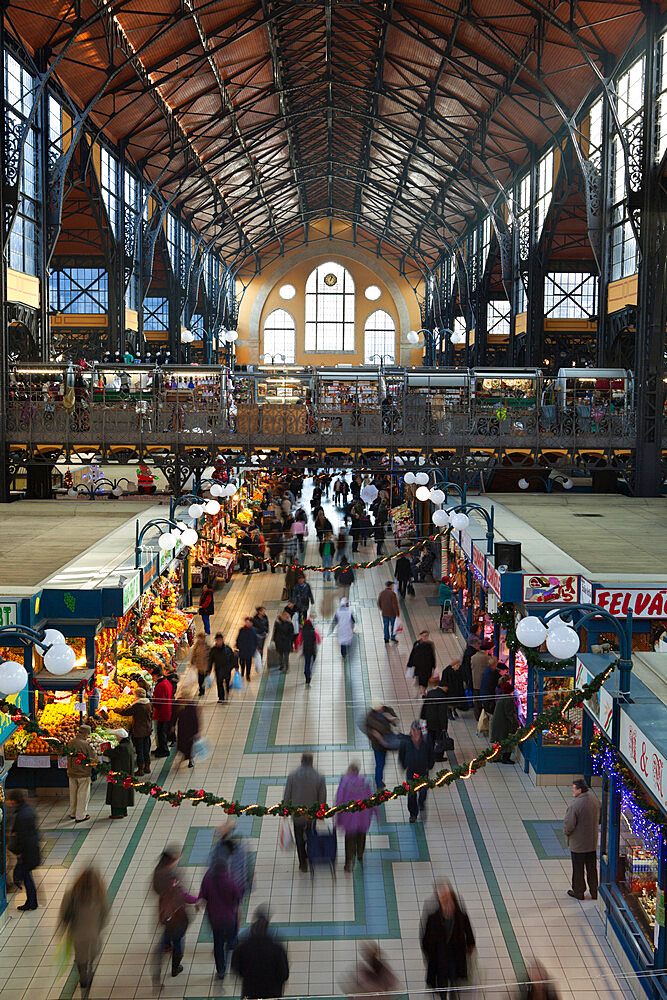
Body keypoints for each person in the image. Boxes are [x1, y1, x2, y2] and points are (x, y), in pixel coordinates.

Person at [58, 866, 109, 995]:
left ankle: (83, 977)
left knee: (80, 957)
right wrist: (99, 927)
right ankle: (89, 968)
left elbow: (64, 914)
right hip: (93, 934)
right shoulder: (99, 896)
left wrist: (63, 930)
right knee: (93, 952)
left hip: (77, 933)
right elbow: (105, 915)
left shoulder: (71, 894)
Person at [421, 879, 476, 997]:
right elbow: (425, 938)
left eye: (448, 897)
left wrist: (470, 944)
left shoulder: (459, 915)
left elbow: (468, 929)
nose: (447, 902)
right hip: (439, 958)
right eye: (443, 898)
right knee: (441, 983)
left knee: (454, 981)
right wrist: (428, 953)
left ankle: (453, 994)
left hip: (455, 957)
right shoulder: (433, 917)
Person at [152, 848, 198, 983]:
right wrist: (196, 900)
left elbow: (156, 889)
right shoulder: (172, 877)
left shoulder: (157, 871)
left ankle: (165, 947)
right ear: (170, 861)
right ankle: (175, 967)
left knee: (166, 932)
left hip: (164, 912)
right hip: (177, 915)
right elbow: (182, 894)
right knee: (178, 940)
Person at [198, 854, 244, 980]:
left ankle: (221, 971)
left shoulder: (207, 879)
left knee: (218, 944)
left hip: (214, 919)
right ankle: (232, 949)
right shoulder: (230, 881)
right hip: (229, 918)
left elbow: (203, 895)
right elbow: (238, 898)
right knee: (231, 941)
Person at [231, 907, 289, 999]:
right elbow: (284, 974)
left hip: (250, 991)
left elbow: (236, 968)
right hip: (272, 992)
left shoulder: (243, 947)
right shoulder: (277, 948)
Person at [283, 752, 326, 872]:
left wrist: (285, 810)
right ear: (312, 762)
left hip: (297, 814)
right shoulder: (319, 777)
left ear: (301, 761)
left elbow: (287, 795)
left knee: (299, 837)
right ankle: (310, 855)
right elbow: (322, 797)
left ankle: (302, 863)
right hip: (311, 814)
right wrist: (321, 813)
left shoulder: (292, 776)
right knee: (311, 834)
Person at [563, 778, 601, 900]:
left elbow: (569, 825)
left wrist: (566, 833)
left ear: (579, 790)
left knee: (578, 869)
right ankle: (595, 891)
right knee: (592, 868)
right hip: (591, 842)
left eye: (574, 788)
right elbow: (600, 819)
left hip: (578, 844)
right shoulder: (595, 801)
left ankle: (579, 891)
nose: (572, 791)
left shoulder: (575, 805)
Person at [334, 764, 376, 872]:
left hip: (349, 816)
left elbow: (339, 799)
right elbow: (372, 799)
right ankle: (360, 854)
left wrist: (337, 814)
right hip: (363, 814)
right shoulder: (365, 782)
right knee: (362, 835)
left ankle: (349, 862)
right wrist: (376, 812)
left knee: (349, 838)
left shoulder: (344, 782)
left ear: (349, 771)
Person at [7, 788, 40, 910]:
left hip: (26, 852)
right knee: (26, 876)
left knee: (24, 876)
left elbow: (22, 837)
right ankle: (31, 901)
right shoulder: (27, 810)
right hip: (31, 849)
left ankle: (31, 902)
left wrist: (17, 851)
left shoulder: (21, 816)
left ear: (14, 801)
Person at [398, 721, 435, 823]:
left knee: (423, 791)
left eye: (417, 730)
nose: (415, 733)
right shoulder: (406, 742)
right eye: (413, 730)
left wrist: (429, 766)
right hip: (411, 772)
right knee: (411, 794)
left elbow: (431, 754)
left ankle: (421, 803)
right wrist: (404, 765)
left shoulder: (426, 741)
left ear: (420, 731)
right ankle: (413, 814)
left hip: (423, 771)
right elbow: (401, 755)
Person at [116, 685, 153, 775]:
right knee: (146, 749)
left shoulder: (137, 705)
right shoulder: (148, 703)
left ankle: (141, 769)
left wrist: (116, 710)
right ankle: (147, 767)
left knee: (139, 750)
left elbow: (126, 712)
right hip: (147, 729)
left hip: (139, 730)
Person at [66, 723, 96, 823]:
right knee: (83, 794)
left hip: (71, 772)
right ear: (85, 734)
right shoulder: (85, 744)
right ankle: (80, 815)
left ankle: (73, 813)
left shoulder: (71, 742)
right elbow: (92, 758)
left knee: (73, 793)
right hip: (83, 773)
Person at [364, 703, 399, 788]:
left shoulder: (388, 710)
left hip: (387, 741)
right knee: (380, 764)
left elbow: (396, 722)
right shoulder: (370, 717)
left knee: (382, 762)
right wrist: (375, 735)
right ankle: (378, 782)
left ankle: (379, 780)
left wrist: (392, 719)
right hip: (377, 745)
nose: (380, 709)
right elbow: (367, 730)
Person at [105, 730, 136, 818]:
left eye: (117, 737)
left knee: (117, 793)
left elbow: (111, 753)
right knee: (124, 794)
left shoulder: (121, 747)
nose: (116, 738)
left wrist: (106, 750)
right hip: (126, 772)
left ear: (121, 737)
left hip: (119, 773)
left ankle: (117, 813)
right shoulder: (129, 744)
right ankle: (123, 810)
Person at [175, 672, 200, 768]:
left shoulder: (192, 705)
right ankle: (186, 757)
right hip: (182, 727)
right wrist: (173, 725)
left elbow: (196, 719)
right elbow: (175, 715)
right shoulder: (179, 702)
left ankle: (190, 759)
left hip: (189, 728)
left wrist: (197, 731)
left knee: (189, 745)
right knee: (182, 744)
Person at [490, 680, 519, 763]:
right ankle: (505, 758)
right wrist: (516, 723)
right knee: (507, 741)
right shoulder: (508, 699)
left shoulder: (503, 697)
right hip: (503, 725)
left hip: (498, 723)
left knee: (499, 741)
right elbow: (509, 714)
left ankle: (496, 757)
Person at [420, 675, 449, 749]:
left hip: (429, 721)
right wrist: (444, 727)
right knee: (438, 740)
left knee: (430, 738)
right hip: (438, 723)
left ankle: (430, 752)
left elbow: (425, 705)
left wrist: (422, 716)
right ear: (444, 687)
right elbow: (443, 713)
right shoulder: (442, 696)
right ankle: (438, 755)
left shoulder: (430, 693)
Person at [470, 641, 496, 720]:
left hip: (475, 682)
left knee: (477, 701)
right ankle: (484, 718)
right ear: (488, 649)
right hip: (484, 684)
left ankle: (477, 717)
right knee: (485, 702)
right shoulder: (488, 659)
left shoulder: (473, 656)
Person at [407, 629, 437, 695]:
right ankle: (421, 688)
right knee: (420, 677)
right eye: (424, 636)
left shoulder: (430, 644)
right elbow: (413, 653)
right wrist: (410, 664)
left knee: (425, 679)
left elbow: (432, 655)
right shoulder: (417, 644)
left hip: (427, 666)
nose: (425, 637)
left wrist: (434, 666)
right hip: (419, 665)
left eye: (427, 636)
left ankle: (423, 691)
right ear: (421, 636)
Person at [153, 668, 173, 757]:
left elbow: (158, 702)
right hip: (167, 711)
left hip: (162, 713)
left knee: (161, 733)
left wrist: (153, 706)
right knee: (162, 732)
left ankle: (164, 751)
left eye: (153, 676)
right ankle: (160, 748)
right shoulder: (167, 682)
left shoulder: (161, 685)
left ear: (156, 676)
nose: (152, 678)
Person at [210, 633, 236, 703]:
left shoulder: (227, 649)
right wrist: (208, 670)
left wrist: (234, 666)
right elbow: (211, 660)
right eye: (217, 640)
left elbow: (232, 658)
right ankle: (221, 697)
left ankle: (227, 693)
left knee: (227, 683)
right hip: (218, 670)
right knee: (219, 683)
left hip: (227, 670)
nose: (219, 642)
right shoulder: (213, 650)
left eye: (220, 640)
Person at [296, 617, 320, 685]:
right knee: (312, 662)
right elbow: (318, 640)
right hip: (313, 650)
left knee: (307, 662)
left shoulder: (302, 633)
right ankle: (308, 672)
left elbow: (298, 641)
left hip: (306, 650)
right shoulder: (314, 632)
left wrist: (297, 648)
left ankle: (307, 673)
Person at [236, 617, 259, 681]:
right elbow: (238, 639)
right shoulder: (242, 630)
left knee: (248, 664)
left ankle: (248, 675)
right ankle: (242, 673)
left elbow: (256, 639)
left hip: (250, 650)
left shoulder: (254, 630)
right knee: (242, 663)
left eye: (249, 622)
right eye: (247, 622)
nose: (248, 624)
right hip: (242, 650)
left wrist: (256, 647)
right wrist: (238, 647)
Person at [377, 580, 400, 644]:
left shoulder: (382, 593)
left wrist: (382, 609)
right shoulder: (392, 594)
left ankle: (386, 638)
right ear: (391, 586)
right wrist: (397, 613)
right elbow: (395, 604)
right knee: (393, 625)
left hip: (384, 613)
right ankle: (392, 637)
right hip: (392, 613)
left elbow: (378, 602)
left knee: (386, 625)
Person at [334, 596, 356, 662]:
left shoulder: (338, 611)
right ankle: (348, 652)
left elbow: (336, 620)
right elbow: (353, 620)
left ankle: (343, 654)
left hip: (341, 628)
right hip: (348, 628)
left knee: (342, 642)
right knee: (348, 640)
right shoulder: (349, 611)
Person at [460, 633, 481, 698]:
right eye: (479, 645)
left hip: (466, 673)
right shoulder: (473, 653)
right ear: (476, 645)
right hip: (469, 674)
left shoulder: (468, 650)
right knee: (470, 688)